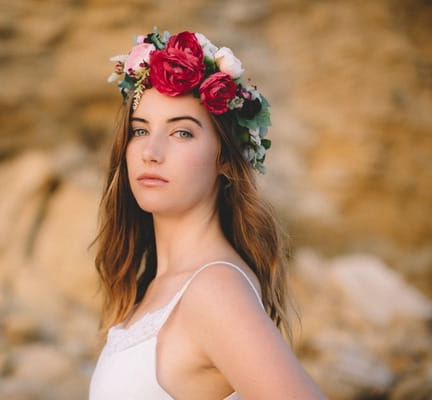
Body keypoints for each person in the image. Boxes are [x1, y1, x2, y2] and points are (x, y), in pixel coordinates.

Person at [89, 28, 326, 399]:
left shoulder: (214, 290)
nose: (151, 151)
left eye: (182, 133)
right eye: (139, 130)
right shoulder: (150, 288)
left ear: (225, 161)